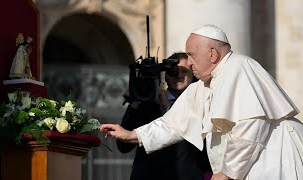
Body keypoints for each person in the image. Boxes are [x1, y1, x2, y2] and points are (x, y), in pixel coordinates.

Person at [99, 24, 303, 180]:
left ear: (212, 54)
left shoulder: (239, 67)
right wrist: (133, 135)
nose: (189, 63)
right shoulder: (204, 85)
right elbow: (173, 124)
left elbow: (250, 126)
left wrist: (228, 172)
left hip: (276, 159)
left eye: (192, 55)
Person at [117, 52, 212, 180]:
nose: (178, 75)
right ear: (165, 76)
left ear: (192, 75)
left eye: (184, 71)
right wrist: (135, 104)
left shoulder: (200, 105)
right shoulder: (147, 104)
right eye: (173, 71)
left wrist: (168, 109)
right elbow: (123, 146)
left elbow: (205, 151)